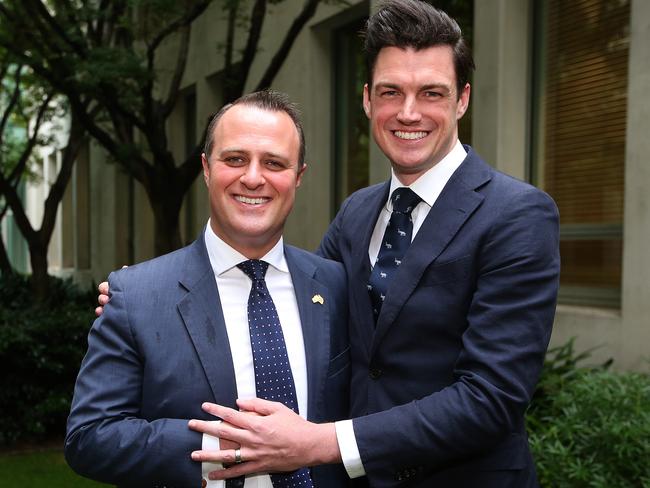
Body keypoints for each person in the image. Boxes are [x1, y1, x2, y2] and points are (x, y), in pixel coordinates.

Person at [184, 1, 560, 487]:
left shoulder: (518, 214)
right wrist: (156, 300)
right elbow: (298, 314)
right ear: (366, 100)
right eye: (391, 92)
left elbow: (490, 397)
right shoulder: (357, 212)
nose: (408, 112)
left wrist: (321, 444)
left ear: (462, 99)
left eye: (431, 93)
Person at [65, 90, 351, 488]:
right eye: (235, 159)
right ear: (206, 167)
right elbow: (89, 438)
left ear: (298, 176)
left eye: (274, 163)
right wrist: (222, 444)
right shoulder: (136, 295)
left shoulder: (337, 287)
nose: (253, 177)